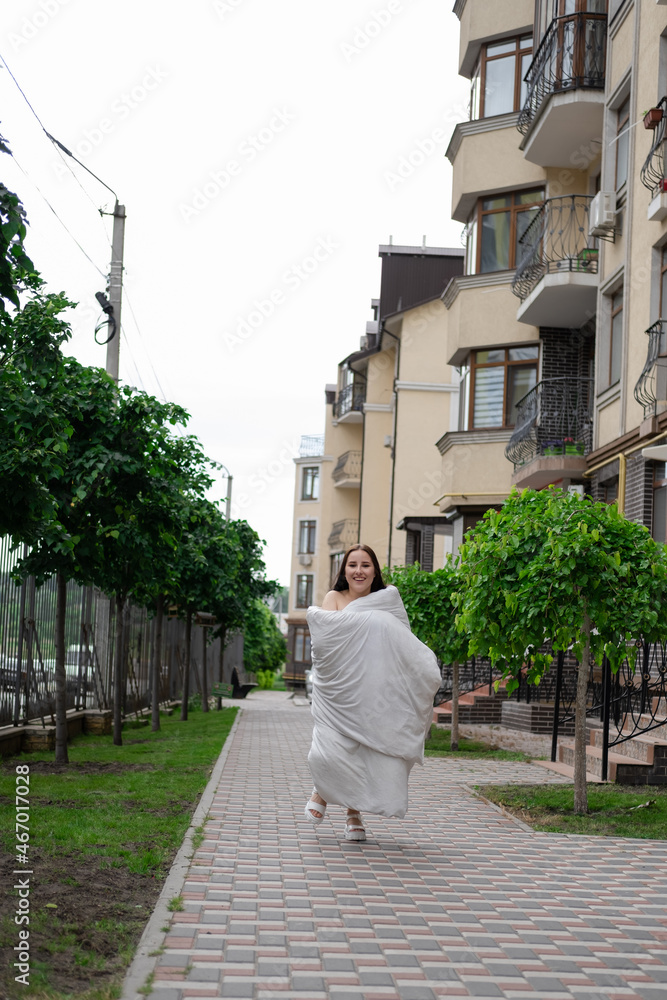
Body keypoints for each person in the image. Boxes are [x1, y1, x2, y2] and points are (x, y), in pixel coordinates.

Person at [304, 543, 442, 841]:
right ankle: (322, 789)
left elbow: (401, 641)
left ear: (375, 571)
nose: (359, 571)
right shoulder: (334, 598)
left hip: (375, 693)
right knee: (327, 752)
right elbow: (325, 643)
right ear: (344, 570)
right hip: (339, 692)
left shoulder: (387, 600)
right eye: (352, 565)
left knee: (362, 755)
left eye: (365, 565)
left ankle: (353, 813)